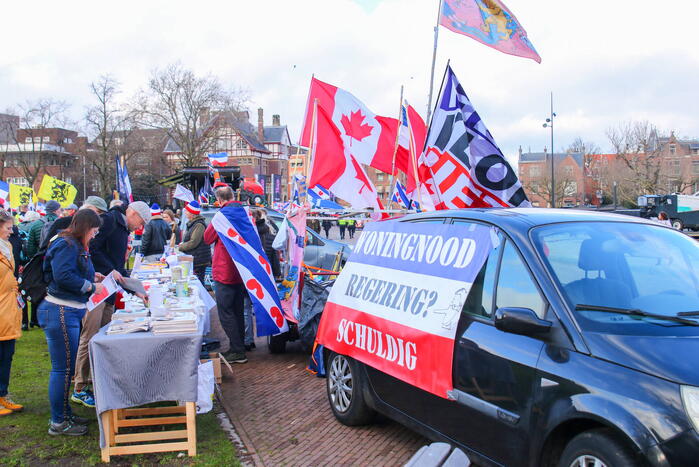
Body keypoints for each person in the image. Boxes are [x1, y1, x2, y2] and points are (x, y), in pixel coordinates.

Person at [70, 200, 151, 408]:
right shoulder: (109, 221)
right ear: (132, 213)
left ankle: (98, 379)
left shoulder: (122, 228)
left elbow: (117, 267)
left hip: (109, 290)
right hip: (96, 287)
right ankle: (80, 385)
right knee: (89, 336)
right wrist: (108, 270)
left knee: (103, 335)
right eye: (140, 221)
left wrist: (136, 289)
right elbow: (93, 250)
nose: (139, 226)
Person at [37, 209, 104, 435]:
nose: (94, 235)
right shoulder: (66, 245)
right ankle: (58, 422)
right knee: (63, 370)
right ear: (85, 227)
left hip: (68, 310)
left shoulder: (71, 244)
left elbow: (72, 271)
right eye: (94, 231)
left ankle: (64, 414)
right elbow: (63, 276)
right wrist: (91, 286)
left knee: (65, 369)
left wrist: (93, 277)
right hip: (61, 310)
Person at [204, 185, 248, 364]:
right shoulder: (245, 214)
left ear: (220, 200)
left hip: (224, 270)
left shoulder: (221, 216)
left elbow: (207, 238)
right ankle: (240, 346)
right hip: (242, 270)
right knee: (237, 310)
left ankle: (237, 350)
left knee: (225, 311)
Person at [0, 210, 23, 418]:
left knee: (7, 353)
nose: (11, 231)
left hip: (8, 306)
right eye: (8, 228)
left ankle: (3, 393)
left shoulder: (7, 246)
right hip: (1, 305)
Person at [178, 201, 211, 284]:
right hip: (196, 258)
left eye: (187, 211)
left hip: (199, 260)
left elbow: (194, 242)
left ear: (192, 213)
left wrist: (181, 247)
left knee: (198, 282)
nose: (185, 213)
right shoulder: (193, 224)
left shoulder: (199, 225)